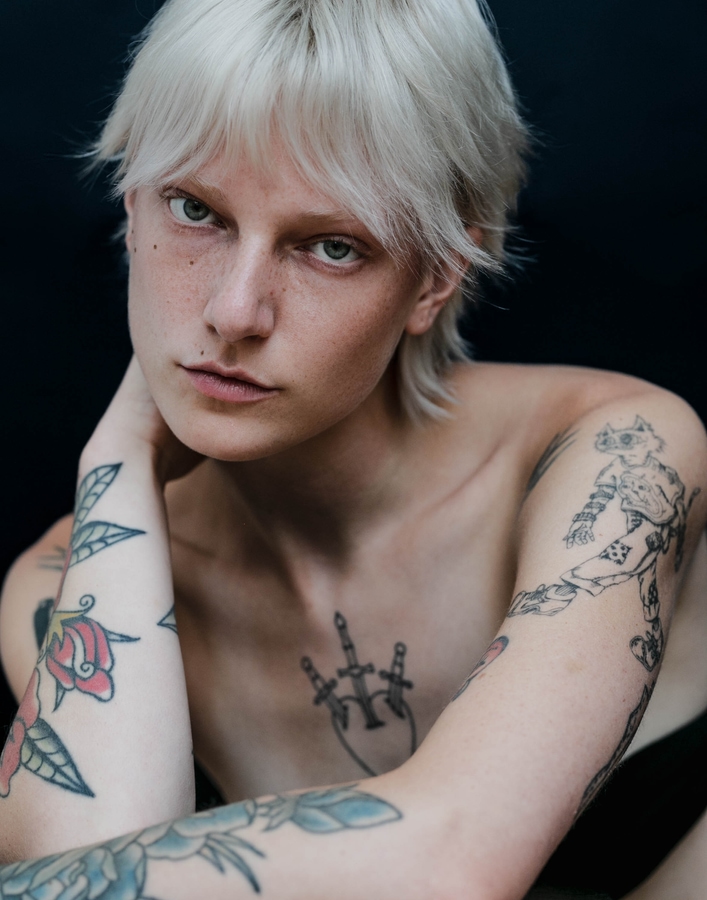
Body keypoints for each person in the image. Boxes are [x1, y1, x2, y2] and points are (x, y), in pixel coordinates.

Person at [0, 1, 705, 897]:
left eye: (331, 246)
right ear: (131, 203)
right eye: (194, 209)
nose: (234, 311)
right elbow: (77, 862)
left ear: (436, 278)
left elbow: (455, 861)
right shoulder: (61, 582)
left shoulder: (616, 455)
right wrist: (117, 460)